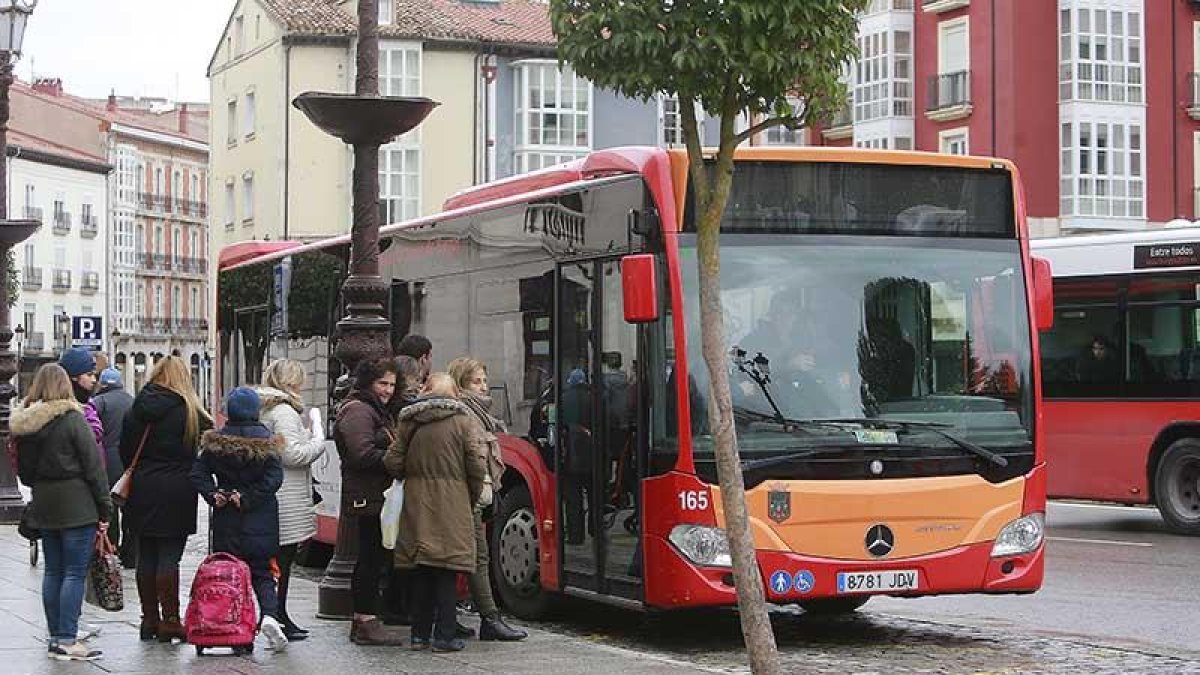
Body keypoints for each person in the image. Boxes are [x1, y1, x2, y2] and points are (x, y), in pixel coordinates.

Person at [13, 364, 111, 661]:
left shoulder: (27, 425)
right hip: (77, 505)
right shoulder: (72, 419)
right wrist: (104, 507)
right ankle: (68, 638)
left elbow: (25, 474)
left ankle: (56, 635)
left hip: (44, 503)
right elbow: (94, 467)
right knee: (73, 572)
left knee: (53, 571)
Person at [383, 373, 486, 653]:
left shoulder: (409, 421)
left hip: (417, 502)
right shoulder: (464, 421)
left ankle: (419, 635)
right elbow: (477, 465)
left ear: (426, 391)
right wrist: (471, 495)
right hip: (453, 501)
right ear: (454, 394)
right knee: (447, 569)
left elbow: (392, 461)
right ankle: (445, 636)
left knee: (422, 569)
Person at [120, 356, 213, 643]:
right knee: (169, 557)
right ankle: (171, 620)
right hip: (177, 489)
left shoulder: (136, 410)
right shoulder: (190, 412)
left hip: (143, 487)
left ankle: (149, 619)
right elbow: (200, 454)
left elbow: (125, 451)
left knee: (146, 555)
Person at [191, 387, 288, 652]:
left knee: (232, 574)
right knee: (262, 573)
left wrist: (215, 495)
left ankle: (236, 630)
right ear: (257, 410)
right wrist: (246, 498)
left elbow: (197, 474)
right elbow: (273, 480)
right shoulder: (268, 442)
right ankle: (269, 616)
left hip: (227, 522)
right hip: (261, 520)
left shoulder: (215, 443)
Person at [447, 357, 528, 642]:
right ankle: (483, 619)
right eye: (475, 381)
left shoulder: (480, 414)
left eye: (484, 380)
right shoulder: (466, 414)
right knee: (469, 559)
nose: (483, 387)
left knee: (477, 558)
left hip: (475, 497)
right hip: (465, 498)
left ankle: (486, 619)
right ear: (461, 384)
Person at [335, 358, 405, 645]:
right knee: (369, 558)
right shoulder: (358, 410)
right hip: (368, 494)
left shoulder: (374, 409)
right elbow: (360, 453)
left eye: (391, 384)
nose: (388, 390)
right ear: (367, 383)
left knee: (374, 556)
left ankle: (365, 620)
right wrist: (396, 461)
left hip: (376, 493)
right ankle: (365, 619)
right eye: (382, 383)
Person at [256, 359, 327, 641]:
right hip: (287, 494)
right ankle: (277, 615)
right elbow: (292, 455)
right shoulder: (284, 411)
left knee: (277, 561)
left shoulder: (267, 409)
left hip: (276, 492)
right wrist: (318, 438)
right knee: (283, 560)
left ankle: (275, 613)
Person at [92, 368, 134, 563]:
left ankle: (112, 546)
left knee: (109, 506)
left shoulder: (98, 403)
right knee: (129, 507)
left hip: (107, 461)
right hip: (129, 461)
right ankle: (130, 551)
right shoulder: (131, 401)